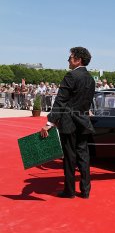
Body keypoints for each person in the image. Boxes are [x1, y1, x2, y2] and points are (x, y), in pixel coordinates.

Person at [40, 47, 95, 199]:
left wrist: (50, 122)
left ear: (78, 60)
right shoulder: (90, 79)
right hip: (83, 121)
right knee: (83, 156)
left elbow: (60, 101)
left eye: (70, 58)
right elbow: (87, 101)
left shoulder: (71, 76)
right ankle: (85, 191)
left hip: (69, 122)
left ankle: (69, 191)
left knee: (69, 157)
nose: (68, 60)